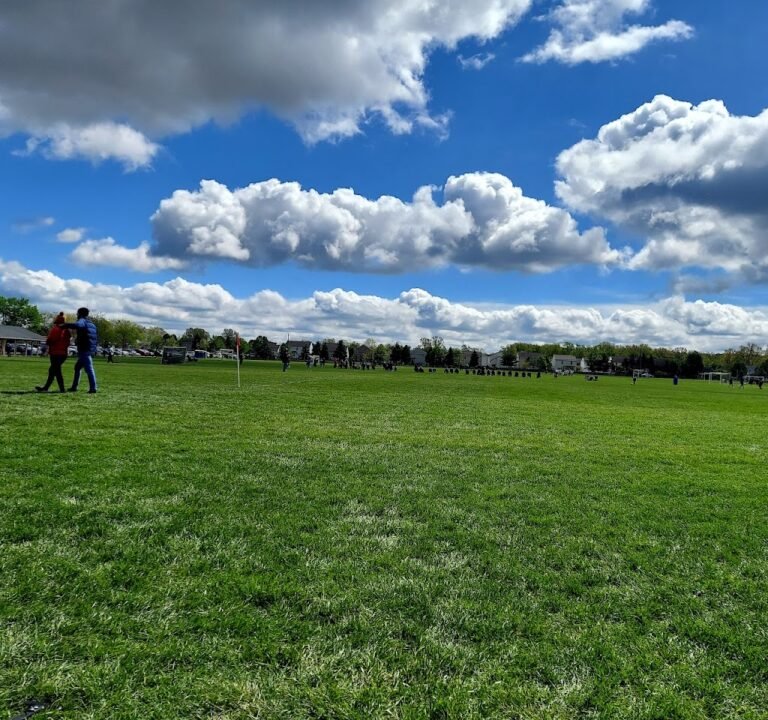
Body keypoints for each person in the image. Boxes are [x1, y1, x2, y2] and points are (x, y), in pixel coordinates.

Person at [64, 307, 98, 393]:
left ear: (80, 314)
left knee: (89, 369)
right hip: (90, 349)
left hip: (84, 349)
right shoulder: (92, 324)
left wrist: (64, 325)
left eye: (77, 313)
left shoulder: (82, 321)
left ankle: (93, 388)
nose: (76, 315)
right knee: (77, 367)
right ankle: (74, 387)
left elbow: (77, 325)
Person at [35, 312, 70, 393]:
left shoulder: (55, 329)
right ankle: (47, 387)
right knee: (53, 370)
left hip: (55, 353)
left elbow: (50, 340)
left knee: (56, 371)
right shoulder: (67, 330)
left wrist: (48, 343)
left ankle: (61, 389)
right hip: (63, 354)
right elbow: (68, 342)